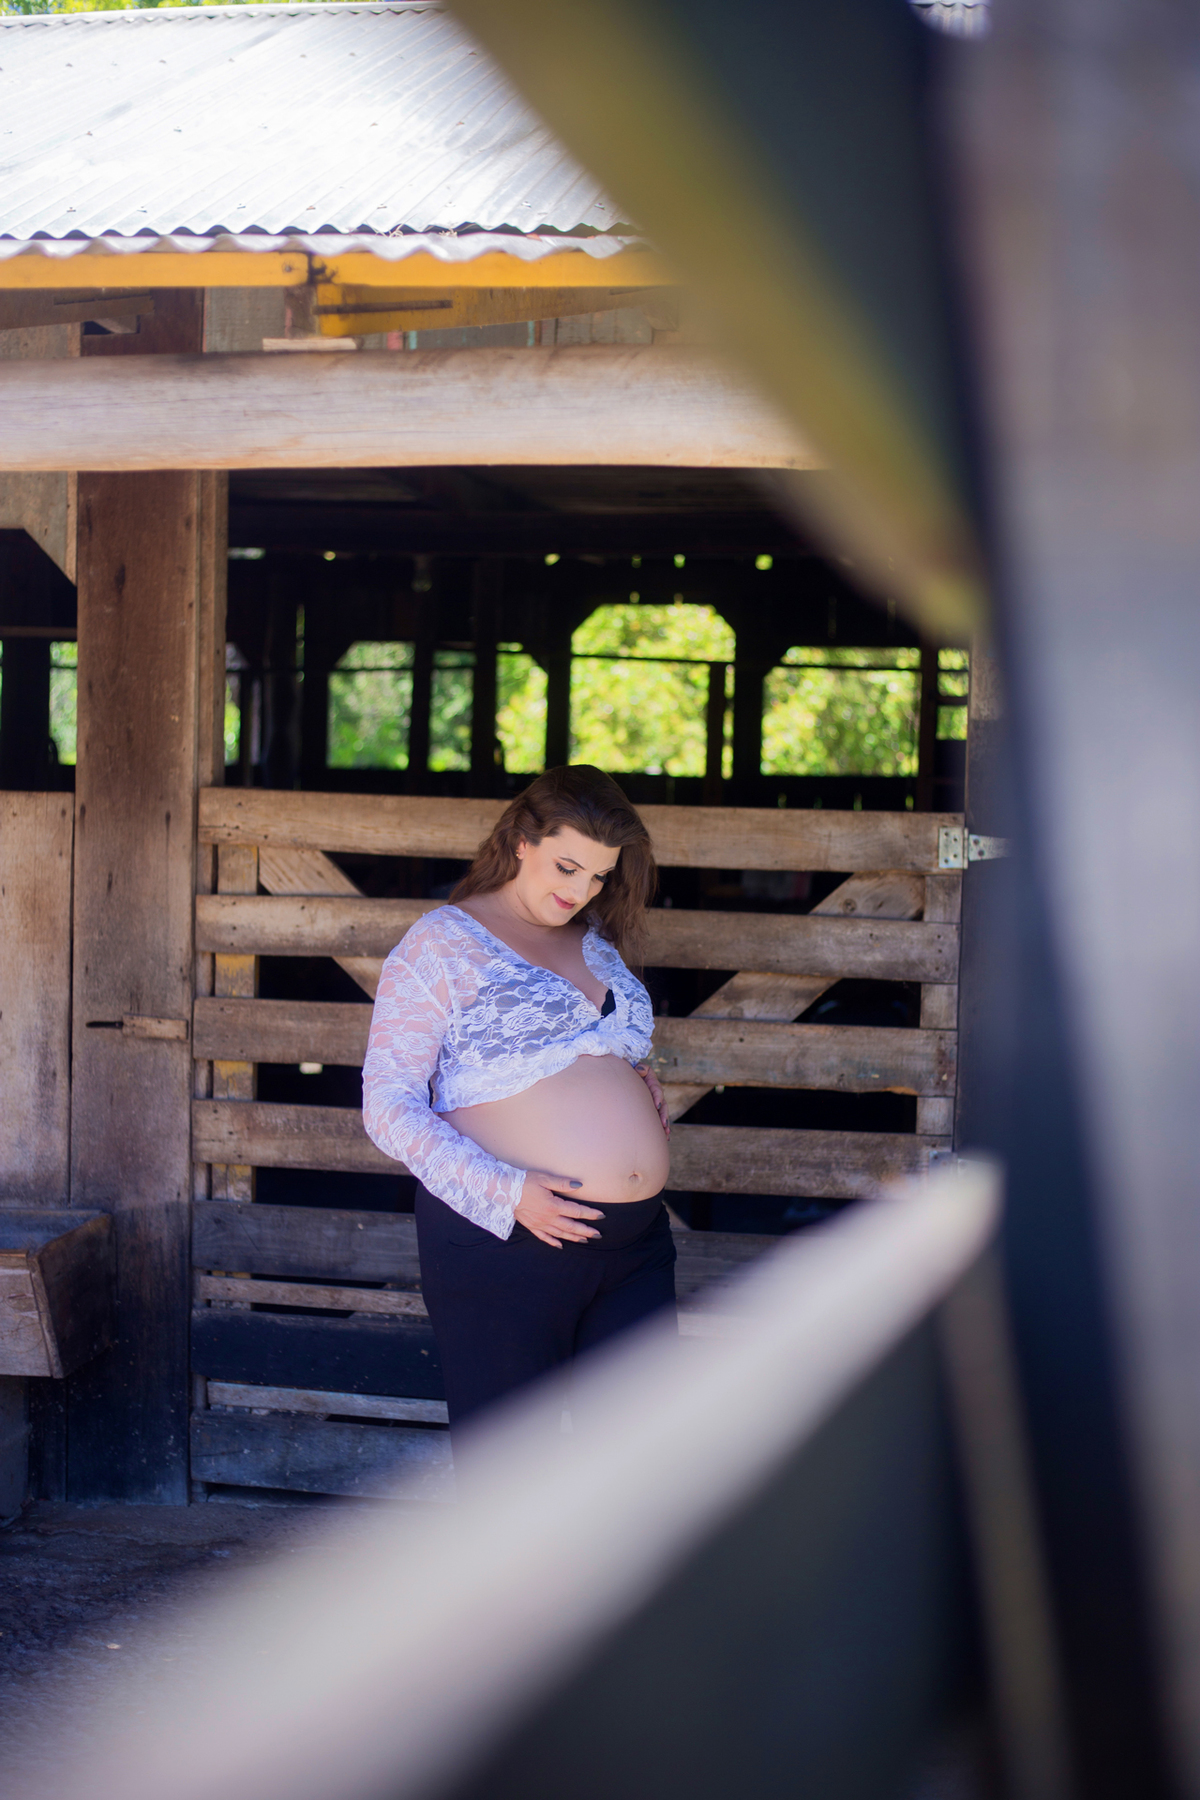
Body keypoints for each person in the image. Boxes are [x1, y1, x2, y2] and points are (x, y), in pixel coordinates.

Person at [362, 764, 675, 1451]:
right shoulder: (441, 942)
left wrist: (638, 1093)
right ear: (522, 841)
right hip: (510, 1237)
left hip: (634, 1246)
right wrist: (506, 1194)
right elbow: (386, 1104)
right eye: (567, 866)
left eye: (598, 876)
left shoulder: (595, 938)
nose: (580, 890)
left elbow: (577, 1062)